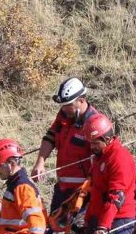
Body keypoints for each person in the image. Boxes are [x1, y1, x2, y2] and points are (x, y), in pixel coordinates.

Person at [31, 78, 102, 223]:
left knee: (72, 231)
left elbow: (102, 160)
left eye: (67, 105)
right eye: (62, 106)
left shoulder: (95, 124)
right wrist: (40, 162)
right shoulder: (64, 115)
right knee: (53, 227)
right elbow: (50, 137)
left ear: (81, 100)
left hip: (83, 192)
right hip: (62, 187)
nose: (63, 109)